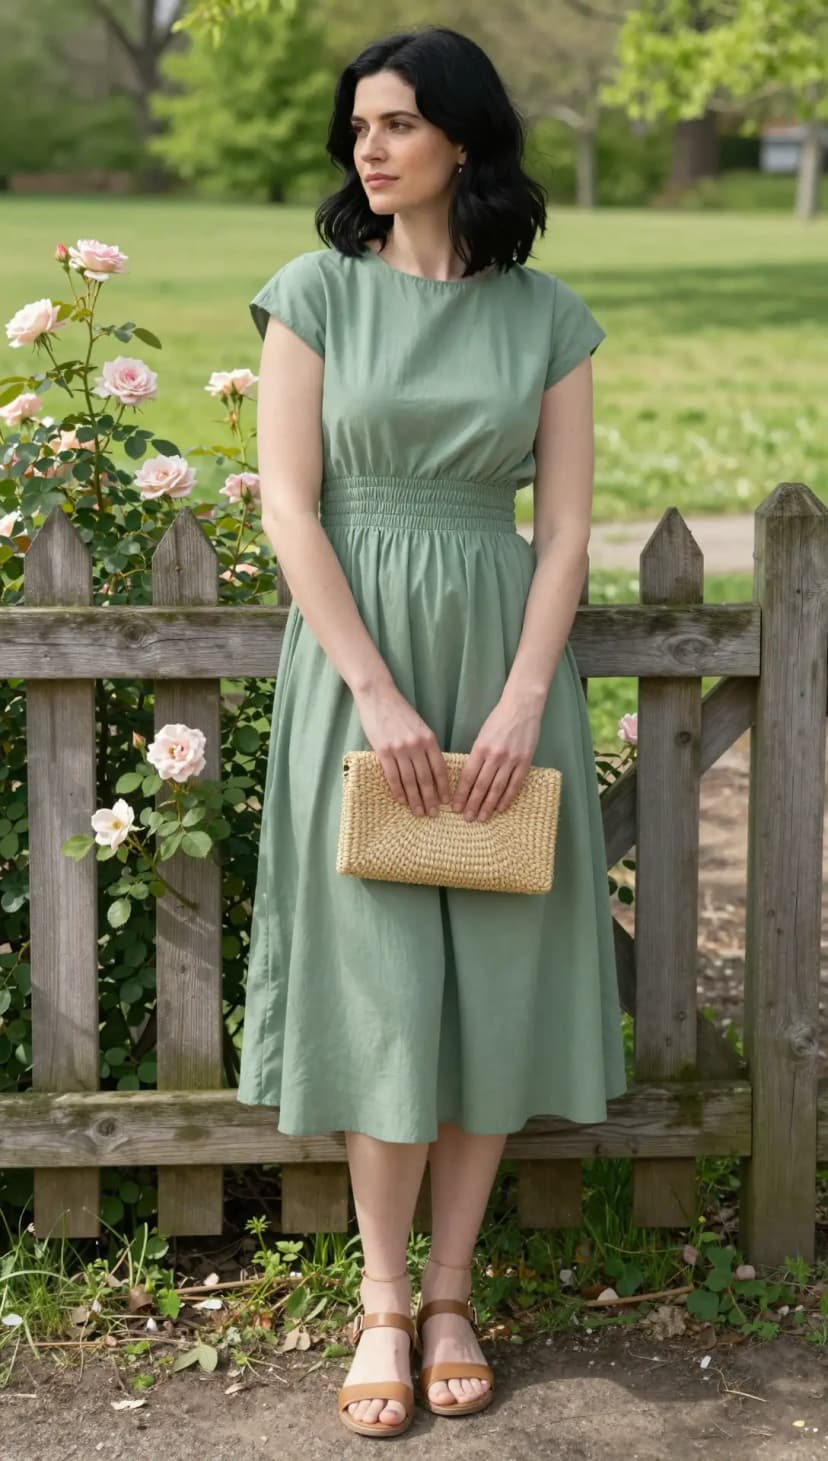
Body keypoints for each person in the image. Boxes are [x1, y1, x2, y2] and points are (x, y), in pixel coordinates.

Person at [236, 23, 627, 1440]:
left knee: (498, 974)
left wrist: (524, 695)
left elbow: (570, 526)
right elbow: (290, 507)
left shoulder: (549, 318)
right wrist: (381, 693)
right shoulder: (314, 294)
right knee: (386, 980)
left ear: (464, 136)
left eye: (398, 122)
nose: (371, 146)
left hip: (506, 661)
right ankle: (384, 1297)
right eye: (360, 127)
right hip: (361, 667)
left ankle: (458, 1287)